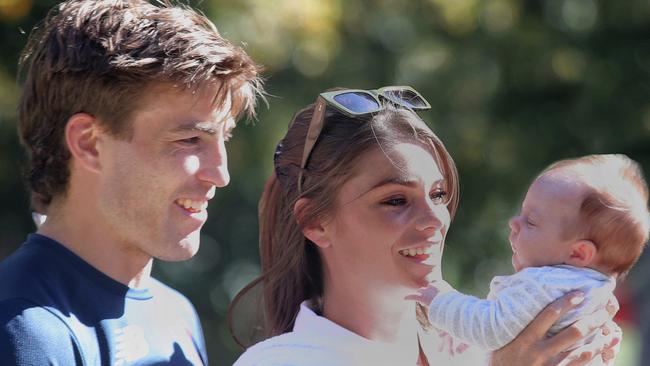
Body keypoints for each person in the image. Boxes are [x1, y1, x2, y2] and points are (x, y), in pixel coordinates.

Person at [229, 87, 620, 365]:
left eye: (438, 194)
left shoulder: (489, 348)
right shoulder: (283, 361)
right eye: (395, 200)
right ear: (315, 222)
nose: (436, 219)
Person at [0, 0, 262, 364]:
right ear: (89, 143)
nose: (221, 174)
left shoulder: (177, 314)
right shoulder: (25, 330)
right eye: (189, 140)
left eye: (224, 138)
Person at [407, 154, 648, 353]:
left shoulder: (545, 285)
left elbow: (491, 328)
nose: (514, 223)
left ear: (579, 252)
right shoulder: (598, 293)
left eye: (531, 221)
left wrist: (441, 300)